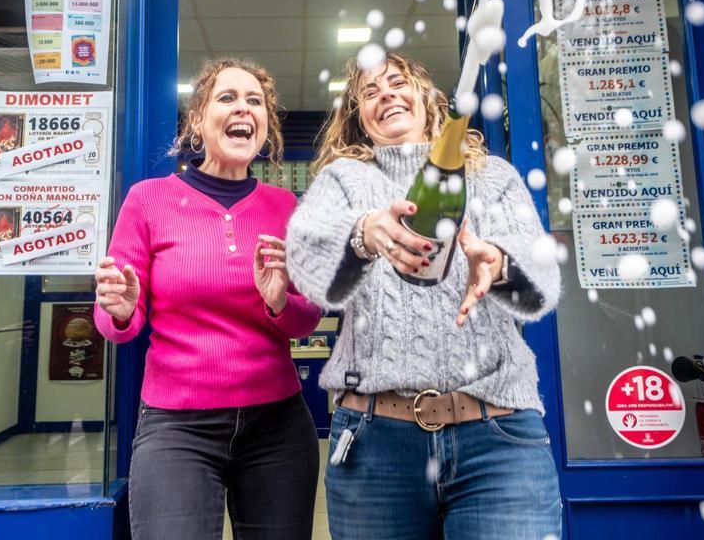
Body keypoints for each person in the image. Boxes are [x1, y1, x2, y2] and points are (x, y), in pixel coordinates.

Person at [286, 52, 563, 540]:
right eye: (369, 93)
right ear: (359, 119)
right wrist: (363, 233)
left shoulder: (492, 177)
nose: (385, 94)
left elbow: (542, 285)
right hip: (375, 443)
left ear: (426, 99)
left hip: (498, 440)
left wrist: (498, 264)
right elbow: (309, 269)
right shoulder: (342, 182)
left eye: (397, 83)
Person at [93, 58, 323, 540]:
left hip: (277, 427)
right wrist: (121, 308)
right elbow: (117, 317)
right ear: (198, 120)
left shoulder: (286, 207)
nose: (244, 108)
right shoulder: (146, 199)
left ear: (265, 126)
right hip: (177, 428)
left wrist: (281, 301)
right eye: (228, 98)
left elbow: (307, 316)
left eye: (255, 101)